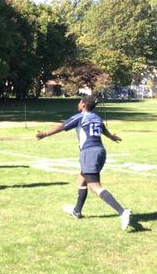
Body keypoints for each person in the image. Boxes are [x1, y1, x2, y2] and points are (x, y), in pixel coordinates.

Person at [35, 95, 131, 231]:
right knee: (81, 180)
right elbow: (104, 130)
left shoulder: (81, 117)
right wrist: (112, 137)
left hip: (89, 153)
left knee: (95, 187)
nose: (78, 104)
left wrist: (44, 134)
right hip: (100, 151)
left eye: (80, 102)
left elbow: (62, 126)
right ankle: (77, 211)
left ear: (84, 105)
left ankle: (122, 211)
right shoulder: (97, 117)